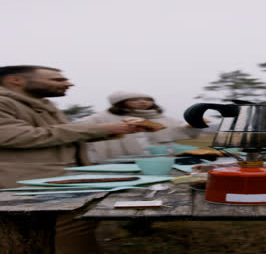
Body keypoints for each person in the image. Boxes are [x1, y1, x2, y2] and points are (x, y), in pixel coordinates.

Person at [0, 65, 156, 254]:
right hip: (25, 184)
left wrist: (111, 131)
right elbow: (15, 136)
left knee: (78, 227)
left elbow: (57, 136)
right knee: (69, 228)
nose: (68, 83)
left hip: (53, 180)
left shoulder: (39, 104)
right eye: (57, 79)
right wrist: (102, 129)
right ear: (15, 80)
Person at [76, 91, 202, 162]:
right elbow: (78, 129)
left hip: (156, 160)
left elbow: (182, 130)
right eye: (135, 99)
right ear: (120, 103)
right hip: (118, 161)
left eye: (147, 99)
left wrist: (192, 126)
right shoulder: (102, 117)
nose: (142, 102)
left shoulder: (161, 118)